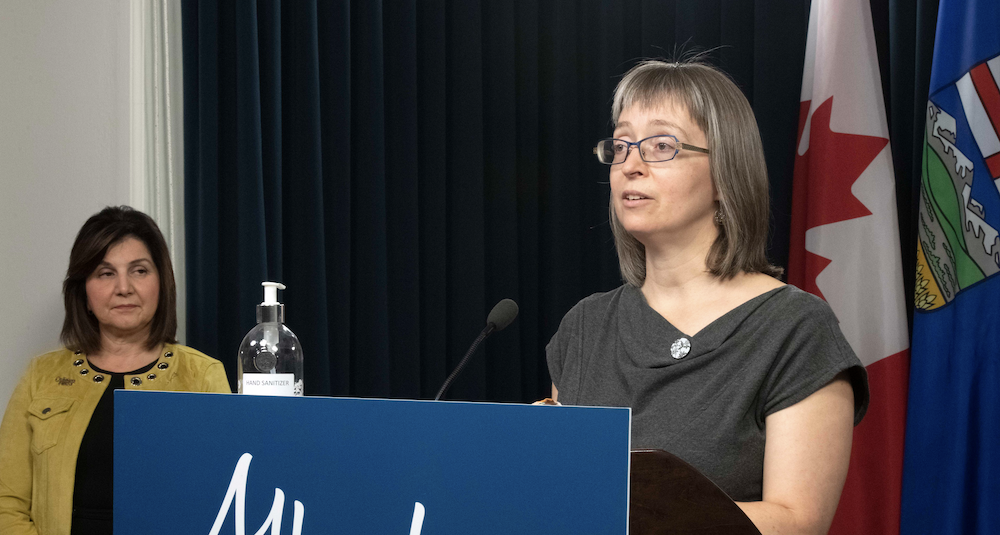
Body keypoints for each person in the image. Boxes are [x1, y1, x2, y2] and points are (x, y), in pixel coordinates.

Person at [546, 60, 869, 534]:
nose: (631, 165)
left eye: (661, 145)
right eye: (620, 145)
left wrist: (616, 510)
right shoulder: (585, 326)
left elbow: (797, 523)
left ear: (724, 173)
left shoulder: (794, 328)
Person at [0, 206, 231, 535]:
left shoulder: (203, 375)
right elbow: (6, 501)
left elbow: (223, 499)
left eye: (139, 271)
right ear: (85, 293)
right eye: (105, 273)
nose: (124, 287)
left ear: (161, 283)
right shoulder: (40, 375)